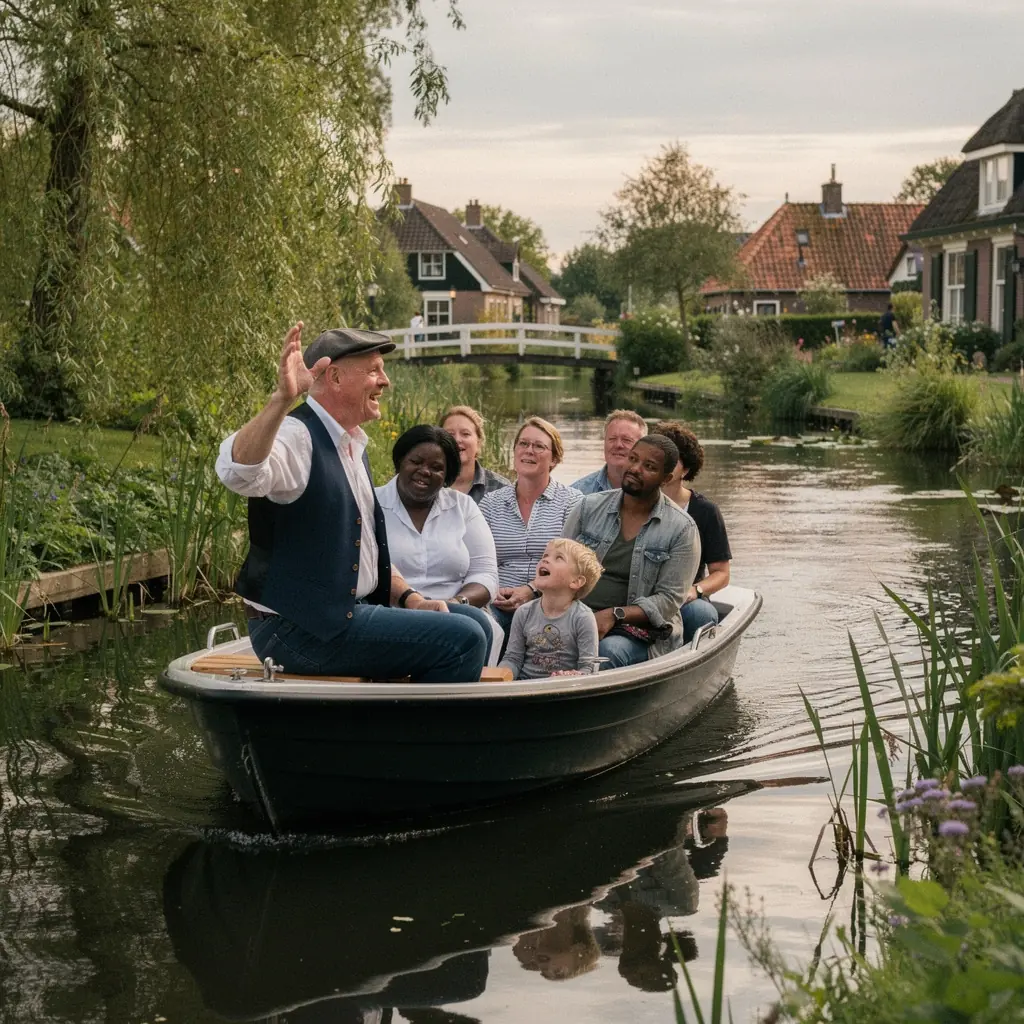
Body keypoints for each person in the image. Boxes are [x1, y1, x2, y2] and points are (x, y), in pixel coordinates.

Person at [215, 322, 488, 683]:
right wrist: (281, 400)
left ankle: (391, 726)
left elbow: (363, 554)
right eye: (374, 370)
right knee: (463, 640)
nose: (385, 381)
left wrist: (411, 598)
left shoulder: (352, 447)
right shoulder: (298, 436)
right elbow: (238, 473)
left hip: (338, 619)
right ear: (336, 378)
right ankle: (411, 738)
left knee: (475, 621)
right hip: (296, 632)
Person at [376, 424, 503, 663]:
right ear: (400, 460)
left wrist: (456, 604)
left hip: (454, 611)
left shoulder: (463, 507)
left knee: (474, 625)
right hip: (392, 612)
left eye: (437, 468)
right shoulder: (371, 504)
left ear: (447, 476)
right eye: (416, 461)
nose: (425, 471)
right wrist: (416, 603)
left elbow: (486, 575)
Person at [480, 417, 582, 635]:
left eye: (539, 446)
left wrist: (531, 590)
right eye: (523, 444)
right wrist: (496, 592)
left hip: (550, 603)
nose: (529, 451)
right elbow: (479, 561)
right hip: (498, 601)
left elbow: (574, 564)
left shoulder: (572, 502)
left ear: (554, 459)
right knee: (481, 628)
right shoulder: (490, 503)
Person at [651, 421, 732, 643]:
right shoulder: (635, 503)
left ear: (686, 469)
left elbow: (721, 573)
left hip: (686, 597)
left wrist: (696, 591)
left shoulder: (706, 511)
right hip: (643, 594)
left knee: (701, 613)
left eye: (672, 461)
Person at [498, 539, 602, 680]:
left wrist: (574, 676)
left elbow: (588, 667)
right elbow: (513, 658)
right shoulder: (524, 612)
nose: (545, 560)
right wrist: (499, 677)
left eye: (558, 558)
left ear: (576, 581)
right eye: (545, 555)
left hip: (562, 692)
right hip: (523, 687)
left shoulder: (583, 617)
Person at [440, 404, 510, 503]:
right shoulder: (428, 485)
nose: (457, 440)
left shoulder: (501, 488)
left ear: (479, 442)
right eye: (450, 434)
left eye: (465, 434)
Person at [571, 409, 648, 494]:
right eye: (612, 439)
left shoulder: (655, 492)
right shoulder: (578, 493)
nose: (618, 445)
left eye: (626, 440)